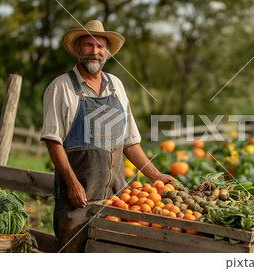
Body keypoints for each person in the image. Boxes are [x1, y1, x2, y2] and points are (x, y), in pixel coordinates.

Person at [40, 20, 176, 252]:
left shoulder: (117, 86)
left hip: (118, 202)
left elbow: (129, 142)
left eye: (101, 47)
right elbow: (53, 141)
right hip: (77, 203)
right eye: (88, 45)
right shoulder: (61, 87)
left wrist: (155, 176)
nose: (95, 52)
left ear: (107, 52)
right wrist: (73, 184)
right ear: (77, 49)